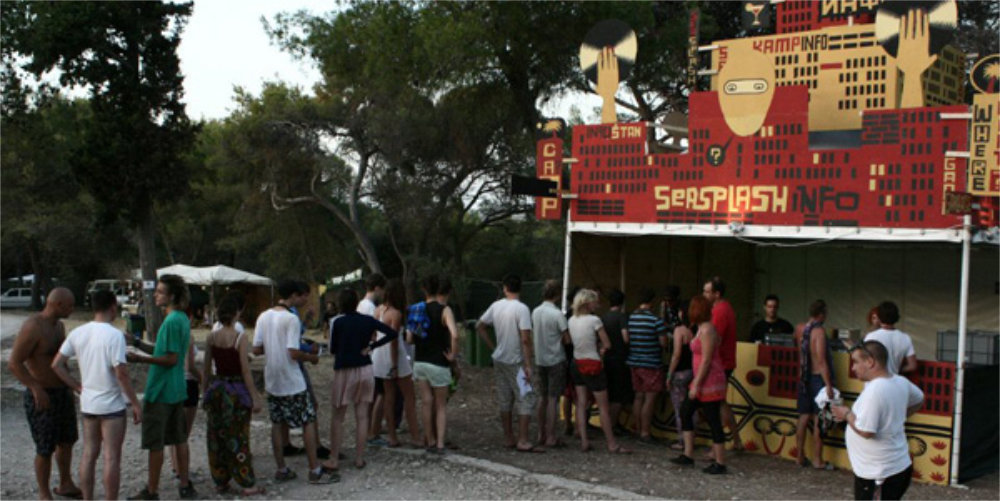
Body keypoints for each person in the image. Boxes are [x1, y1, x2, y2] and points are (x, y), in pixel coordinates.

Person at [51, 290, 141, 500]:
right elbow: (121, 374)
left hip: (89, 403)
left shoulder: (78, 333)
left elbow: (56, 365)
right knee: (112, 457)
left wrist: (77, 386)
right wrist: (135, 403)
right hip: (112, 405)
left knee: (89, 453)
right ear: (113, 307)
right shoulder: (115, 335)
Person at [251, 280, 334, 485]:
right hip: (291, 379)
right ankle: (314, 469)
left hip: (272, 378)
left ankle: (281, 469)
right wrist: (312, 358)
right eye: (302, 295)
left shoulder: (263, 316)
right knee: (307, 420)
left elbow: (257, 349)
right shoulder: (291, 319)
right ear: (294, 295)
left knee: (277, 423)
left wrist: (273, 346)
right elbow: (293, 352)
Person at [127, 275, 197, 499]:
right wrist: (137, 343)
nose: (155, 295)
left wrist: (139, 359)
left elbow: (170, 359)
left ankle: (152, 490)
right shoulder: (182, 318)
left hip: (160, 391)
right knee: (180, 439)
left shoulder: (170, 322)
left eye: (160, 292)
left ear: (172, 296)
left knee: (155, 444)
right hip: (176, 389)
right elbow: (163, 351)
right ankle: (185, 485)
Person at [8, 287, 81, 501]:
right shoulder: (33, 326)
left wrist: (71, 385)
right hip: (42, 394)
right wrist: (35, 387)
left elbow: (61, 361)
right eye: (69, 305)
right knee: (45, 446)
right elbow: (14, 363)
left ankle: (66, 483)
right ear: (57, 304)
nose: (72, 309)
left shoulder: (59, 326)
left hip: (61, 392)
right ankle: (44, 492)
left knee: (67, 440)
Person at [832, 341, 924, 500]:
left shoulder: (875, 390)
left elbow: (866, 431)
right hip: (893, 467)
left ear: (870, 362)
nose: (853, 368)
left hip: (879, 473)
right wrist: (896, 417)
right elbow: (919, 399)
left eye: (856, 362)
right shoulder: (899, 381)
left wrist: (846, 414)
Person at [323, 288, 398, 472]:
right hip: (365, 369)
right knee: (362, 416)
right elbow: (392, 333)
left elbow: (333, 349)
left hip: (344, 370)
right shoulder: (367, 320)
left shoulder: (337, 322)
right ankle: (359, 458)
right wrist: (372, 345)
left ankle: (334, 458)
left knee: (338, 417)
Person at [202, 295, 264, 496]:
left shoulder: (211, 337)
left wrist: (205, 392)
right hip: (236, 392)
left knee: (216, 437)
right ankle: (246, 482)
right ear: (236, 314)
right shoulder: (240, 338)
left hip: (217, 390)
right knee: (238, 436)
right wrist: (255, 396)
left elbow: (206, 369)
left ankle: (220, 480)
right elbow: (245, 371)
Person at [475, 274, 540, 452]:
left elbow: (480, 326)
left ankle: (508, 437)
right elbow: (525, 338)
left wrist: (493, 346)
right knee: (526, 397)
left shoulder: (496, 306)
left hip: (500, 358)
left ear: (505, 288)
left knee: (505, 398)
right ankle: (523, 439)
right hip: (516, 360)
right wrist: (529, 364)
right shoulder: (522, 309)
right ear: (520, 288)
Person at [568, 289, 631, 454]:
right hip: (592, 363)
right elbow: (607, 344)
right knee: (603, 406)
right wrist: (600, 349)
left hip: (576, 362)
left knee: (581, 403)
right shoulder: (594, 320)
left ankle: (583, 440)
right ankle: (612, 443)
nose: (598, 304)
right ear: (588, 303)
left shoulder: (572, 320)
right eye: (595, 301)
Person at [670, 296, 728, 474]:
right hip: (702, 379)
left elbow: (707, 359)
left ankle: (720, 462)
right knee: (686, 411)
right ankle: (688, 454)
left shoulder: (707, 329)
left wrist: (696, 383)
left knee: (712, 418)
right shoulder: (700, 328)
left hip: (709, 380)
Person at [371, 279, 422, 447]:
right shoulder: (396, 314)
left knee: (388, 397)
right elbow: (393, 340)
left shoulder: (377, 311)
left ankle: (392, 437)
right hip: (395, 357)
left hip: (379, 356)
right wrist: (394, 364)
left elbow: (373, 335)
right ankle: (415, 437)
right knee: (409, 397)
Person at [413, 274, 460, 453]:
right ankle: (440, 443)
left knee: (426, 402)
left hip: (420, 361)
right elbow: (455, 335)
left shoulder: (417, 309)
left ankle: (430, 440)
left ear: (423, 289)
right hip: (438, 362)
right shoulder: (445, 310)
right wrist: (453, 355)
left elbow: (410, 337)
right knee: (440, 405)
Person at [702, 276, 743, 451]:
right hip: (724, 362)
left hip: (721, 363)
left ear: (717, 294)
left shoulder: (720, 312)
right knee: (721, 403)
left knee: (716, 404)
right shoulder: (724, 309)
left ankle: (718, 446)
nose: (704, 295)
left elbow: (715, 339)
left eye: (707, 292)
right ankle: (736, 440)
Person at [793, 299, 835, 470]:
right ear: (821, 315)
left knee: (803, 416)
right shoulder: (819, 332)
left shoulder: (799, 329)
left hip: (803, 377)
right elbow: (821, 360)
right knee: (819, 418)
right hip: (818, 378)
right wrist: (829, 385)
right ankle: (818, 459)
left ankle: (799, 455)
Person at [531, 280, 570, 448]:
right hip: (555, 359)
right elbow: (567, 339)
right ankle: (551, 436)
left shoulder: (535, 311)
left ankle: (541, 433)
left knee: (542, 397)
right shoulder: (557, 314)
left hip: (540, 359)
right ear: (558, 294)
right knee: (553, 399)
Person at [625, 288, 668, 443]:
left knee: (638, 396)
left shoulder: (631, 318)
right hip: (651, 363)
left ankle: (636, 428)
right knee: (650, 399)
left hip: (634, 362)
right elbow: (663, 342)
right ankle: (645, 432)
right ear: (652, 301)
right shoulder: (656, 320)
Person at [599, 288, 632, 435]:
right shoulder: (622, 317)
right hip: (620, 358)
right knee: (619, 394)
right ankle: (612, 425)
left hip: (607, 358)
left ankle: (608, 423)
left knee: (609, 392)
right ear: (622, 302)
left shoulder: (604, 317)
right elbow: (626, 338)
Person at [863, 301, 917, 375]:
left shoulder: (871, 336)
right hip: (894, 378)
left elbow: (863, 360)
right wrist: (897, 370)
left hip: (874, 379)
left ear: (879, 317)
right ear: (897, 317)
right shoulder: (905, 338)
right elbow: (912, 366)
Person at [665, 319, 695, 451]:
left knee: (679, 409)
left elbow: (676, 354)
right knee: (691, 408)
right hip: (692, 372)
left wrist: (669, 375)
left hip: (680, 373)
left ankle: (682, 441)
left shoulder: (679, 330)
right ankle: (692, 439)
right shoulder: (697, 330)